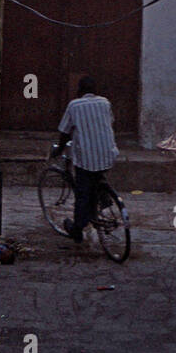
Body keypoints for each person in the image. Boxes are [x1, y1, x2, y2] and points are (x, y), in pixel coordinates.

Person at [52, 75, 119, 243]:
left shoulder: (74, 105)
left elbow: (65, 131)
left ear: (80, 90)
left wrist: (59, 150)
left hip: (86, 158)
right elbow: (109, 122)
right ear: (95, 91)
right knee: (97, 177)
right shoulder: (105, 102)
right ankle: (102, 201)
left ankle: (78, 228)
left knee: (82, 192)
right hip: (108, 154)